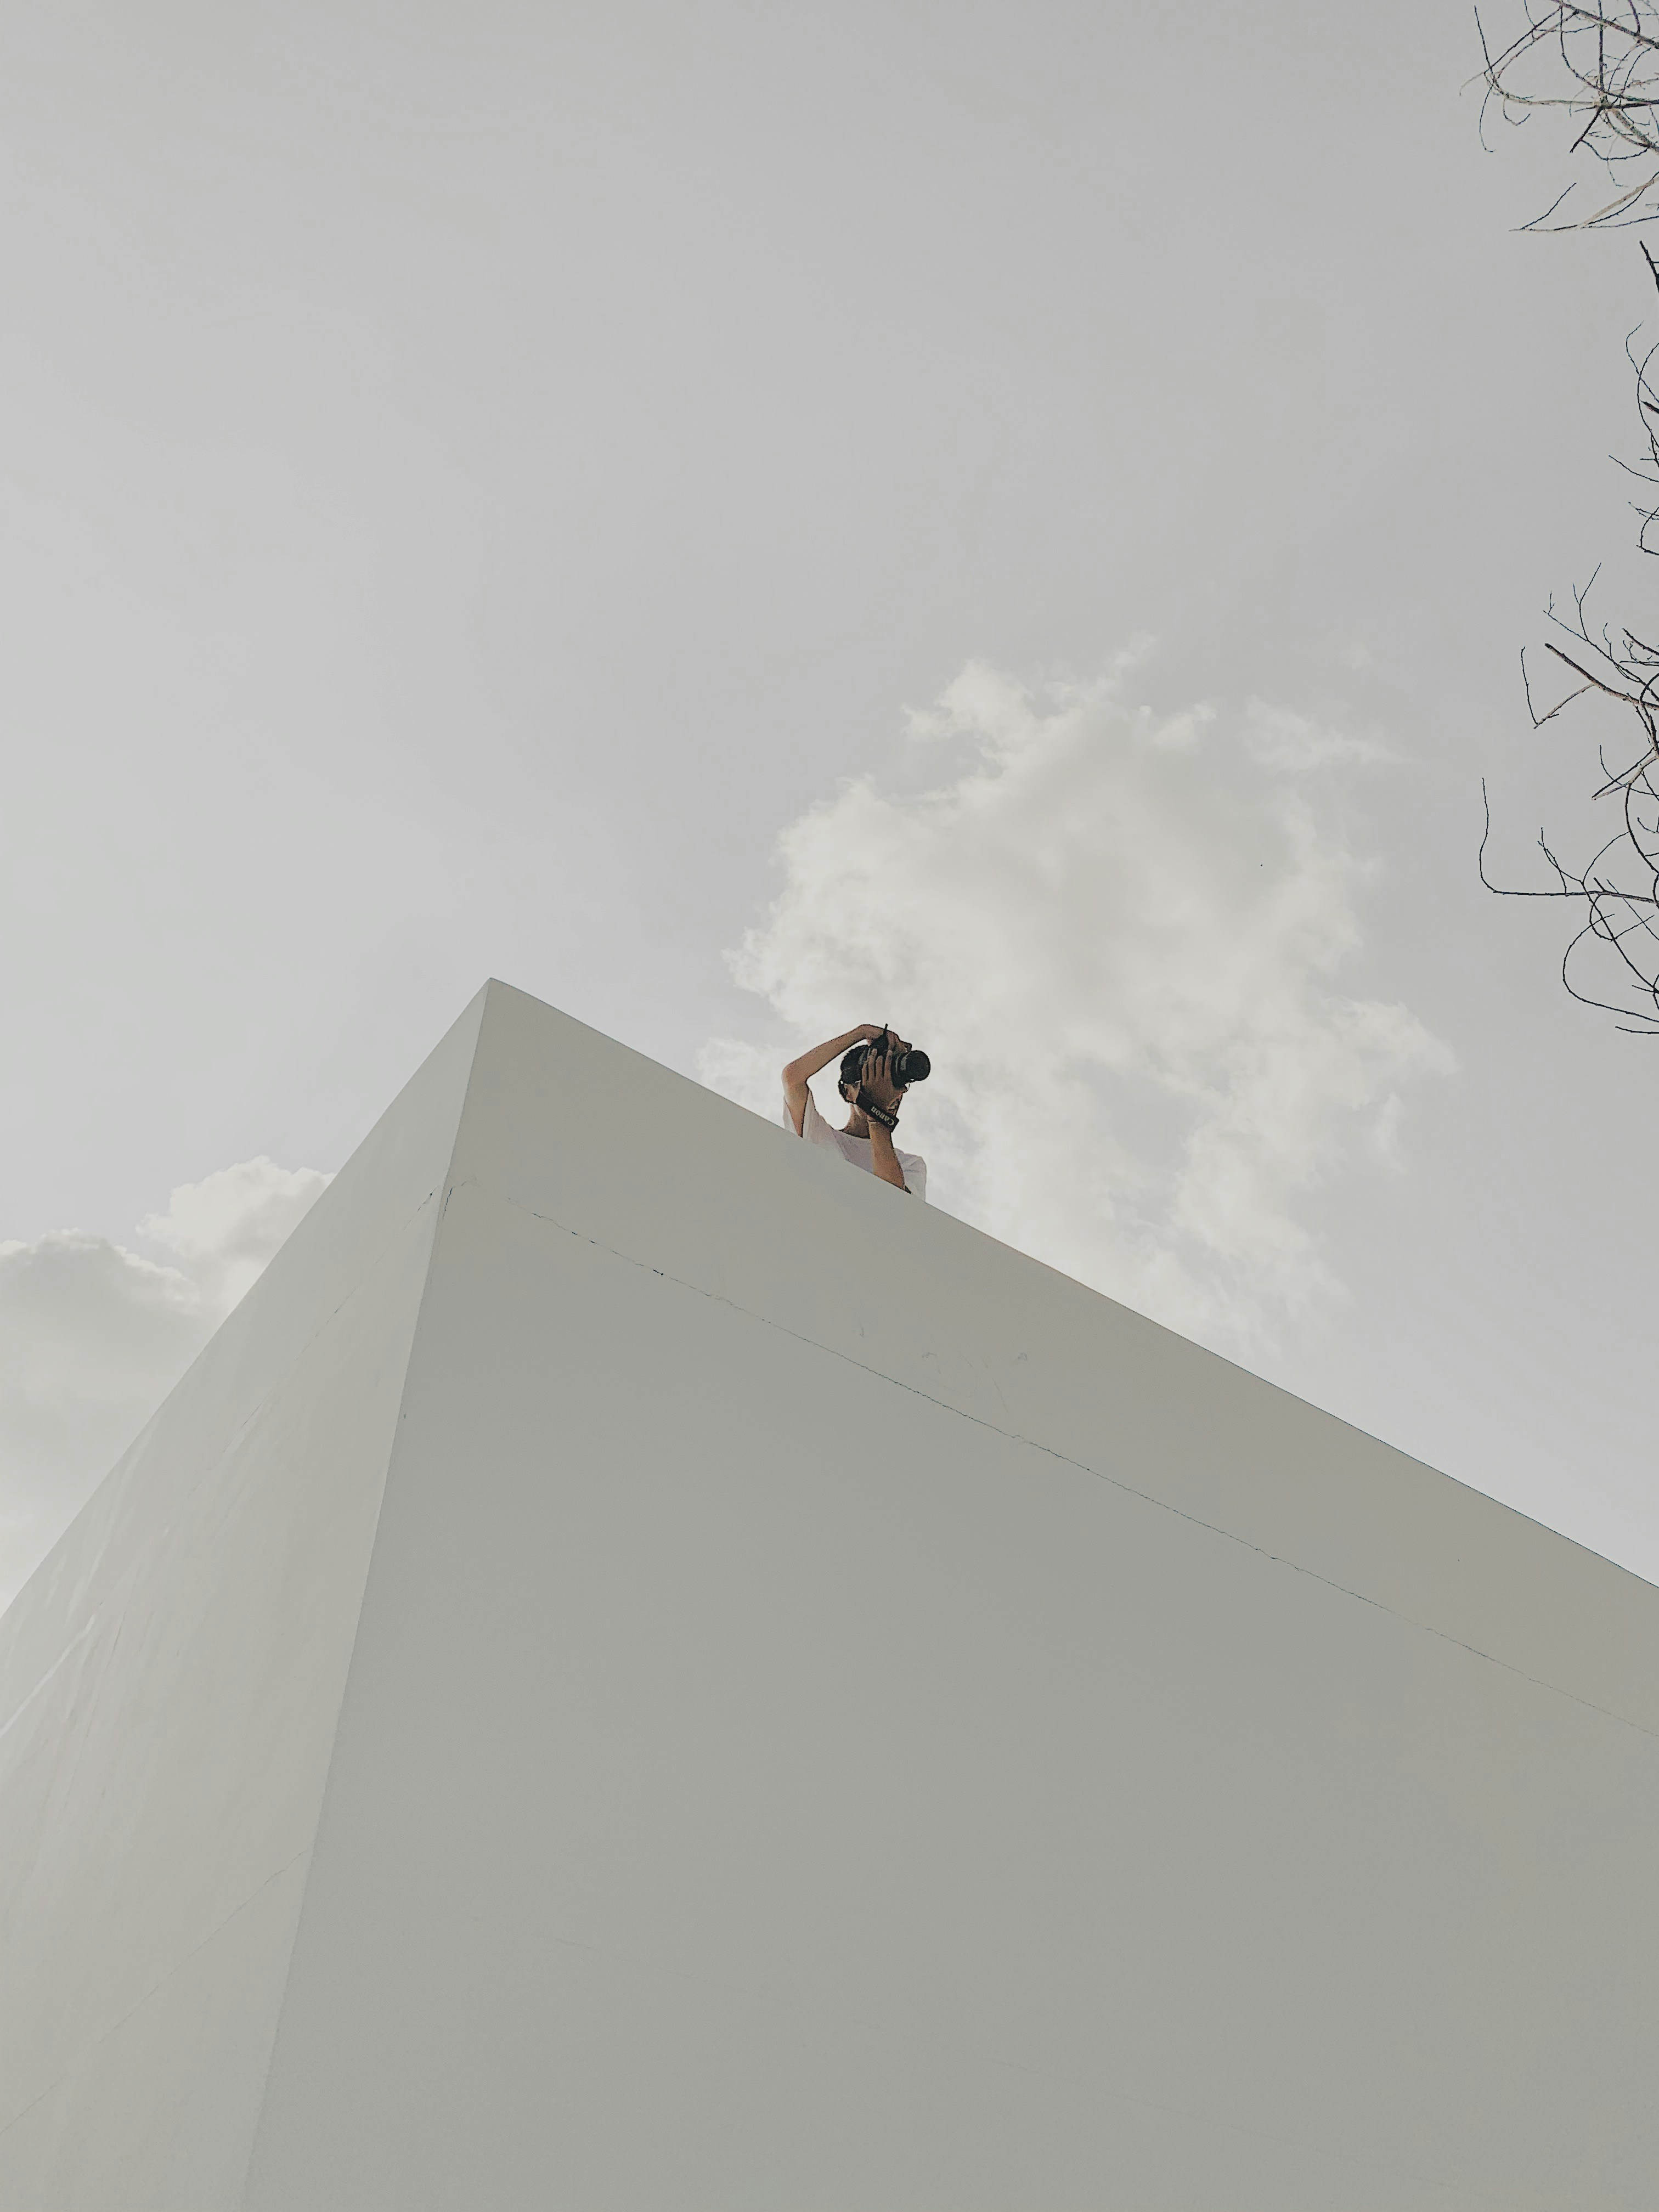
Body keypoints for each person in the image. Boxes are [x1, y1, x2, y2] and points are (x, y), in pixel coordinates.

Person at [781, 1025, 928, 1200]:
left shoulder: (909, 1164)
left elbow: (894, 1204)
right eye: (870, 1082)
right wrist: (861, 1033)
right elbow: (793, 1078)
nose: (887, 1092)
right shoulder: (821, 1136)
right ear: (847, 1092)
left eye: (892, 1084)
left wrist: (877, 1114)